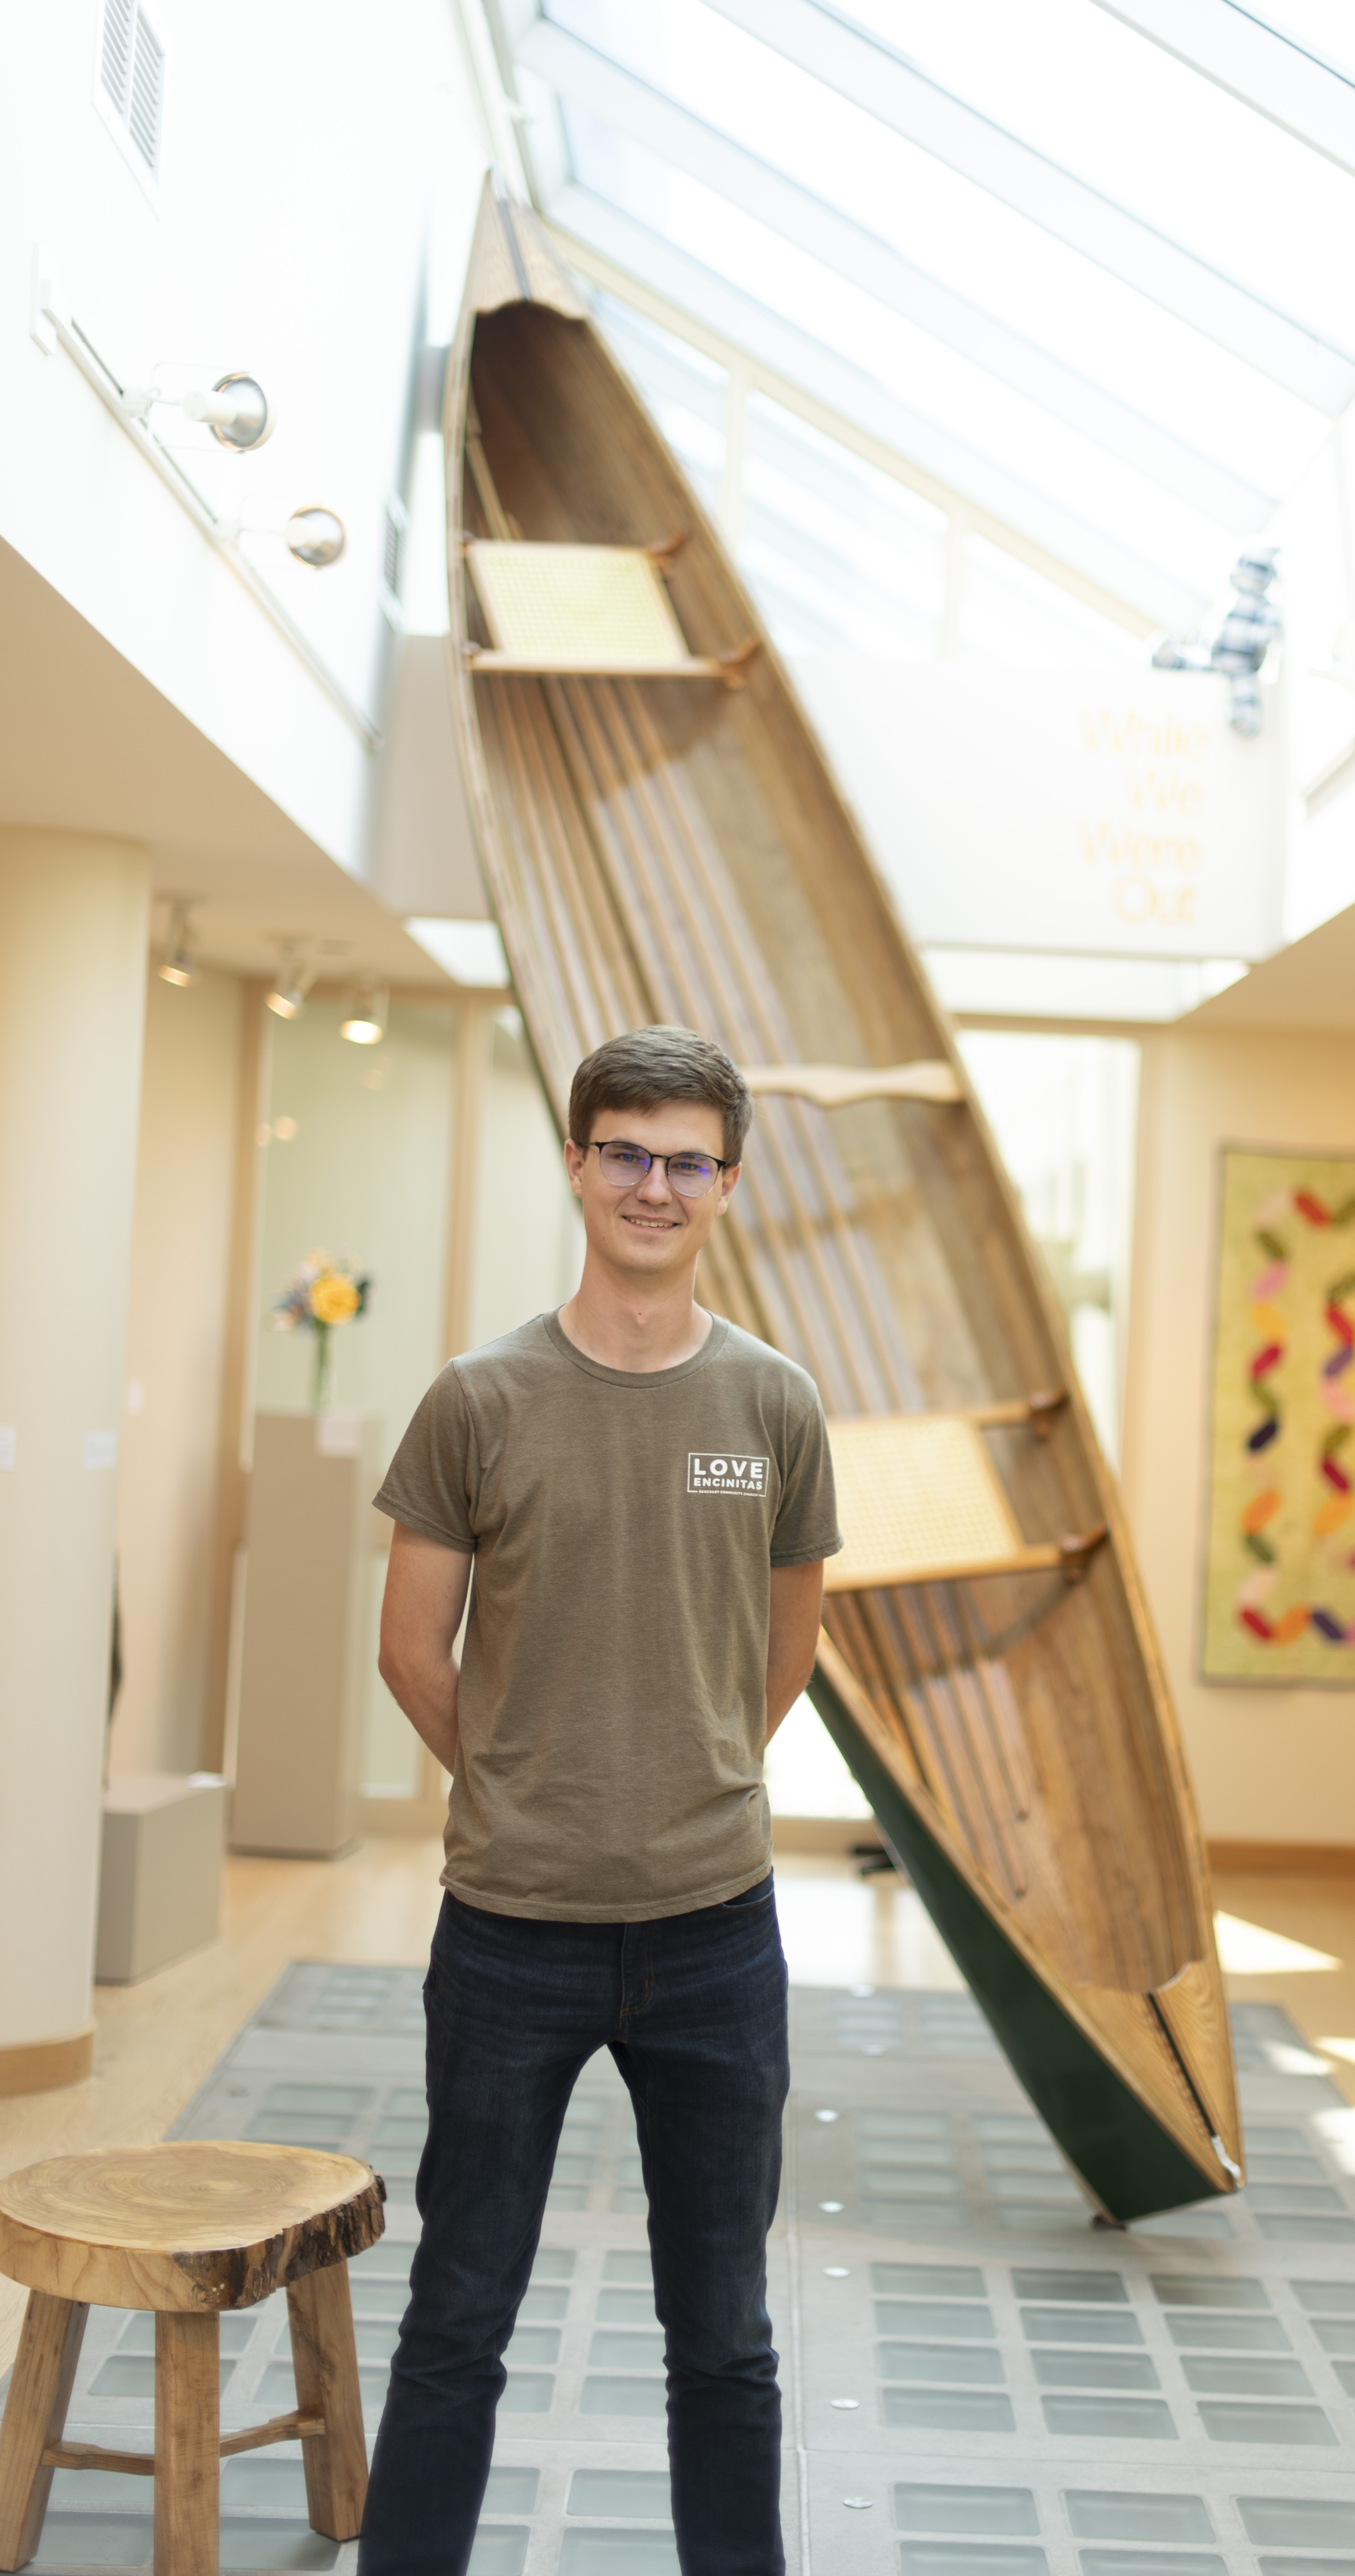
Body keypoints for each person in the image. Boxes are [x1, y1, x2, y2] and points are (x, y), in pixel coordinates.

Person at [357, 1023, 841, 2576]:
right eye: (625, 1151)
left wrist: (685, 1776)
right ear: (576, 1164)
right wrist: (524, 1785)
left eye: (686, 1159)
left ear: (728, 1185)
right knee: (459, 2316)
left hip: (716, 1936)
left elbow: (784, 1657)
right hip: (512, 1934)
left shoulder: (775, 1403)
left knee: (725, 2332)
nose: (654, 1183)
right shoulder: (479, 1398)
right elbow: (407, 1647)